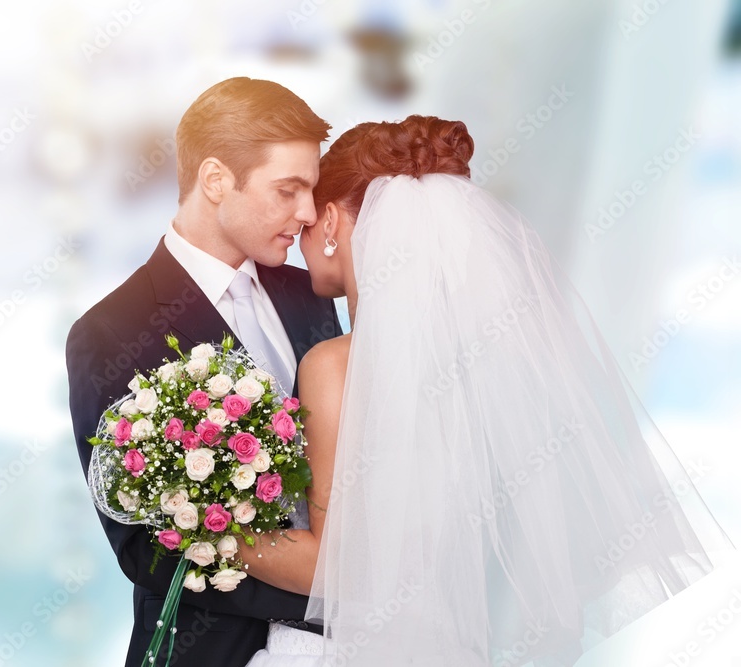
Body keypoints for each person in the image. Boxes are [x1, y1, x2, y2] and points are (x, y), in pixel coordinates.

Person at [242, 116, 733, 666]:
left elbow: (340, 566)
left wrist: (204, 530)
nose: (302, 224)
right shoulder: (497, 358)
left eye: (311, 216)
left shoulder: (335, 365)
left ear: (331, 220)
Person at [65, 77, 342, 667]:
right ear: (216, 180)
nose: (308, 213)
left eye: (312, 191)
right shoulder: (109, 332)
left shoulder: (307, 294)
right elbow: (143, 547)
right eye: (288, 190)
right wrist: (328, 591)